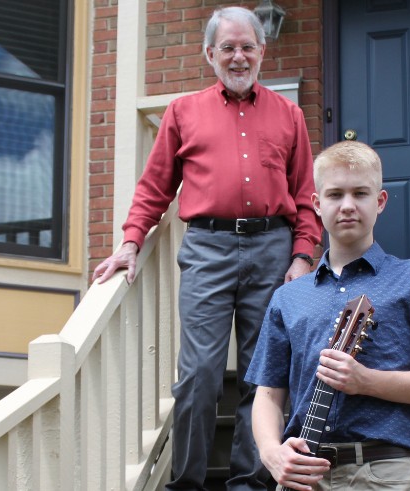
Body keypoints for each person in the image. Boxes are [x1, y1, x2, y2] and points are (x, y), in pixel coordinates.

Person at [92, 6, 322, 490]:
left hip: (273, 251)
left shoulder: (290, 116)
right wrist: (131, 241)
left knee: (264, 377)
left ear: (262, 51)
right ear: (209, 55)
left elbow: (305, 197)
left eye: (247, 47)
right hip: (207, 248)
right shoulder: (183, 111)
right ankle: (187, 483)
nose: (238, 57)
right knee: (199, 375)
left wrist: (303, 256)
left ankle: (250, 483)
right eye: (228, 48)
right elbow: (154, 188)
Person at [245, 141, 410, 490]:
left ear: (380, 201)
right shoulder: (289, 297)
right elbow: (268, 394)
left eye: (360, 193)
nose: (348, 205)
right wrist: (270, 452)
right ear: (317, 204)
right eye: (335, 194)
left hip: (383, 472)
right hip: (304, 475)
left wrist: (366, 380)